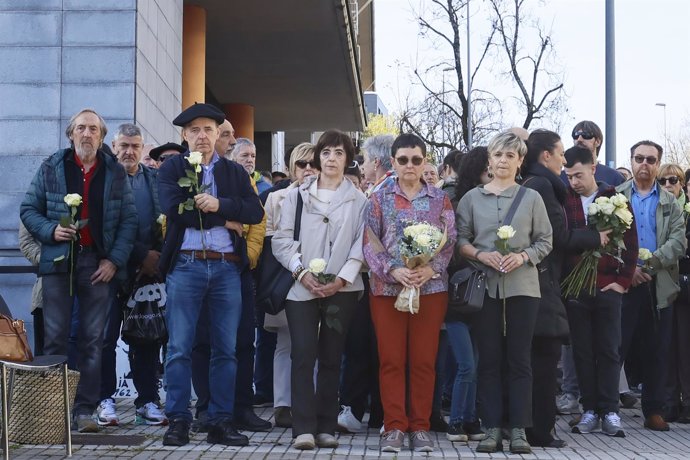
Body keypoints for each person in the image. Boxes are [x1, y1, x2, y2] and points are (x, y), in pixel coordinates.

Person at [20, 108, 138, 433]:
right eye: (81, 128)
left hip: (98, 264)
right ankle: (56, 413)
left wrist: (113, 260)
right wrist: (50, 231)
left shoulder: (113, 171)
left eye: (94, 129)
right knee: (55, 340)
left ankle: (86, 410)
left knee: (93, 340)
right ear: (71, 133)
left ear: (102, 137)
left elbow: (129, 220)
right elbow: (28, 209)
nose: (87, 134)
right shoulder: (52, 166)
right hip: (59, 262)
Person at [157, 103, 264, 446]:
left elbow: (253, 211)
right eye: (194, 130)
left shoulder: (233, 172)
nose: (202, 136)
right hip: (186, 264)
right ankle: (178, 420)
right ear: (184, 135)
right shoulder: (172, 167)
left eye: (208, 130)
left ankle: (221, 420)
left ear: (219, 134)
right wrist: (224, 218)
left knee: (225, 348)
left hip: (225, 266)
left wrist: (220, 206)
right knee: (179, 347)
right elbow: (175, 209)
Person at [456, 131, 552, 454]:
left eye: (510, 156)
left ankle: (519, 429)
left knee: (520, 359)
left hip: (523, 288)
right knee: (490, 359)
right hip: (485, 289)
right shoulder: (471, 199)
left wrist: (523, 256)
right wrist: (481, 255)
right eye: (498, 155)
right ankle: (491, 428)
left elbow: (545, 240)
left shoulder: (532, 199)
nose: (503, 161)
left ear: (520, 161)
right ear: (490, 159)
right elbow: (460, 241)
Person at [273, 129, 367, 450]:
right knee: (303, 354)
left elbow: (361, 244)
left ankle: (327, 425)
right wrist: (301, 272)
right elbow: (282, 240)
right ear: (318, 157)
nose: (331, 159)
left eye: (339, 153)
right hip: (301, 288)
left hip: (342, 288)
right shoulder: (296, 195)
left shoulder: (359, 199)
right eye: (326, 152)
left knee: (331, 356)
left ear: (347, 160)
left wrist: (342, 279)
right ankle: (303, 427)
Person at [364, 133, 457, 453]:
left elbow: (450, 240)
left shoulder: (439, 199)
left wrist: (430, 269)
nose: (410, 165)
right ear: (393, 162)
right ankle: (394, 427)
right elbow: (369, 242)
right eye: (403, 160)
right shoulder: (378, 198)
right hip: (387, 290)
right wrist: (393, 269)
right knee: (391, 360)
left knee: (423, 361)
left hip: (429, 290)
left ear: (424, 160)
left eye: (416, 160)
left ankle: (420, 427)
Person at [190, 123, 271, 434]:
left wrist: (247, 256)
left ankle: (241, 407)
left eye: (230, 136)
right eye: (225, 135)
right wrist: (227, 219)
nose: (229, 140)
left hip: (238, 269)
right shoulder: (194, 173)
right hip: (200, 267)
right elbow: (178, 219)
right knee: (203, 342)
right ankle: (206, 408)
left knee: (241, 342)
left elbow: (258, 222)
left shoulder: (244, 179)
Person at [562, 145, 638, 438]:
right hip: (576, 288)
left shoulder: (614, 199)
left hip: (608, 286)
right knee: (582, 351)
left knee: (608, 350)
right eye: (569, 177)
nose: (574, 182)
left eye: (578, 175)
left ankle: (611, 411)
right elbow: (563, 240)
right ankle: (590, 408)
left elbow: (630, 243)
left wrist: (623, 281)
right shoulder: (566, 200)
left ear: (593, 169)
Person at [95, 123, 167, 427]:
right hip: (111, 268)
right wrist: (139, 255)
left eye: (135, 146)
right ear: (113, 146)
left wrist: (155, 258)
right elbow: (104, 227)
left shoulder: (154, 179)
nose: (129, 151)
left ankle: (148, 400)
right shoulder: (103, 178)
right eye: (123, 145)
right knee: (105, 338)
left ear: (143, 148)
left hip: (149, 274)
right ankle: (104, 398)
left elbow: (164, 221)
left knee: (147, 338)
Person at [617, 140, 686, 432]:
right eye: (639, 158)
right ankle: (602, 408)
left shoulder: (670, 202)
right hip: (622, 282)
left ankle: (654, 410)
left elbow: (678, 242)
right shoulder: (615, 196)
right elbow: (606, 238)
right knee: (615, 347)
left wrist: (649, 265)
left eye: (650, 160)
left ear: (657, 164)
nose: (644, 164)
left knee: (657, 349)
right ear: (631, 161)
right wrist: (629, 269)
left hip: (659, 284)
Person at [337, 135, 394, 434]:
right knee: (364, 347)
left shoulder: (387, 189)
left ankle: (379, 413)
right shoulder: (375, 189)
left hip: (381, 280)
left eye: (366, 159)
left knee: (375, 348)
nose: (363, 164)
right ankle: (366, 411)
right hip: (365, 280)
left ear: (377, 161)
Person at [520, 129, 570, 447]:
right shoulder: (542, 186)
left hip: (537, 282)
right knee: (544, 358)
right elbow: (555, 239)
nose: (565, 160)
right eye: (561, 153)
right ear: (546, 155)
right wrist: (597, 237)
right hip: (542, 285)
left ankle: (531, 427)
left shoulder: (532, 184)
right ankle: (540, 430)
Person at [263, 142, 316, 429]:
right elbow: (270, 239)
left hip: (320, 276)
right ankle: (282, 404)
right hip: (286, 276)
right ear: (292, 168)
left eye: (312, 164)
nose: (307, 169)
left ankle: (313, 400)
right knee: (285, 342)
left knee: (316, 343)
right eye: (301, 164)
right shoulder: (277, 197)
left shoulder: (331, 196)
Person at [444, 146, 490, 444]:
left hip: (482, 292)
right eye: (489, 165)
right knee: (466, 364)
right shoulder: (458, 201)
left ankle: (471, 419)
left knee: (476, 361)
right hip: (460, 292)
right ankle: (457, 421)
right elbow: (451, 246)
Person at [658, 164, 690, 423]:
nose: (668, 185)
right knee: (666, 348)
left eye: (674, 180)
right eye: (664, 180)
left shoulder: (685, 212)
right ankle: (668, 402)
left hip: (686, 287)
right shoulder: (657, 210)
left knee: (686, 349)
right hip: (663, 285)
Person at [562, 120, 624, 187]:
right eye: (576, 136)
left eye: (586, 135)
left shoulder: (614, 178)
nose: (579, 139)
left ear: (597, 141)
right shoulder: (560, 177)